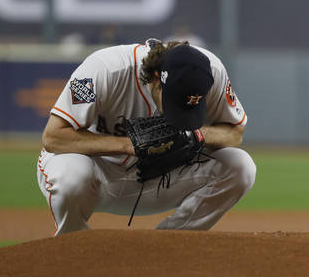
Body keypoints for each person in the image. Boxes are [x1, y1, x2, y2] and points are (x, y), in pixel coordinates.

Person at [36, 38, 256, 235]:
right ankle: (74, 247)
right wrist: (128, 145)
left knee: (241, 167)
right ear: (157, 79)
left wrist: (195, 135)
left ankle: (167, 245)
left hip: (159, 179)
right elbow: (54, 137)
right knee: (71, 176)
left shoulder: (210, 71)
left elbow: (235, 133)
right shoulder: (105, 68)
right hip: (98, 174)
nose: (179, 116)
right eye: (175, 106)